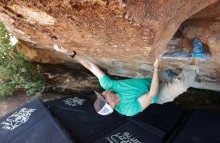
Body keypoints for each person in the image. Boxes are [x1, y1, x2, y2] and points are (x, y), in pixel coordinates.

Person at [54, 45, 197, 116]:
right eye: (103, 97)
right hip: (157, 94)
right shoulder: (128, 110)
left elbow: (91, 66)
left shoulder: (109, 86)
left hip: (148, 82)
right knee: (181, 85)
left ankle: (169, 74)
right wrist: (155, 69)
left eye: (101, 94)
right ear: (112, 104)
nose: (103, 92)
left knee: (167, 72)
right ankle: (196, 61)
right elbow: (152, 94)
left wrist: (71, 54)